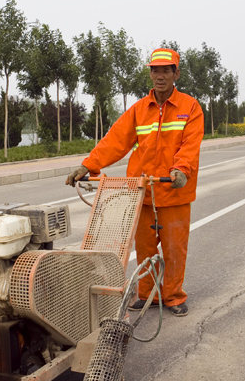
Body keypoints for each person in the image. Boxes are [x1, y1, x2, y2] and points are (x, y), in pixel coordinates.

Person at [66, 47, 204, 316]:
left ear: (176, 73)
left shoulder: (190, 107)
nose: (160, 76)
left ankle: (173, 296)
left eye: (166, 70)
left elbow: (190, 145)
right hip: (143, 192)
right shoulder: (140, 110)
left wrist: (181, 170)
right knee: (145, 247)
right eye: (155, 70)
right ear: (150, 73)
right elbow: (115, 142)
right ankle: (148, 294)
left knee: (175, 249)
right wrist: (88, 165)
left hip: (173, 191)